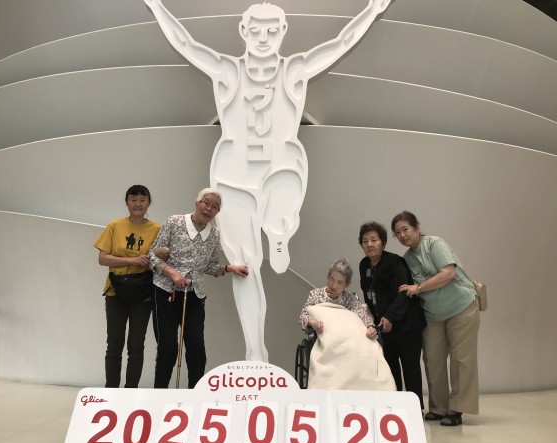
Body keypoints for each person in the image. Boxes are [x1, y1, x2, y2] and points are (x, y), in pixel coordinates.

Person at [144, 0, 392, 362]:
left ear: (283, 32)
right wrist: (156, 6)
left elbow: (340, 43)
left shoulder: (294, 70)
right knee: (245, 267)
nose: (264, 37)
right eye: (257, 30)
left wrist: (371, 10)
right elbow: (186, 43)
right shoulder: (228, 70)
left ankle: (279, 230)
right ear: (244, 31)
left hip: (280, 168)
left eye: (272, 30)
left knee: (289, 173)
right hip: (233, 177)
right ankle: (255, 350)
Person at [149, 188, 249, 388]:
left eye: (215, 206)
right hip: (166, 293)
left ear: (218, 212)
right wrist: (173, 273)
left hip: (194, 296)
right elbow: (152, 256)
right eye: (206, 203)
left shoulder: (214, 234)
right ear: (197, 203)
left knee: (197, 350)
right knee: (168, 348)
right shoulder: (174, 222)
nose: (209, 208)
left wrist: (229, 268)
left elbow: (209, 266)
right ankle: (159, 394)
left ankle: (195, 395)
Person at [392, 211, 480, 426]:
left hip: (461, 307)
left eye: (405, 229)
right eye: (398, 233)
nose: (402, 235)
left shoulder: (434, 244)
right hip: (433, 314)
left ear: (417, 227)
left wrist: (419, 287)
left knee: (461, 359)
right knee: (432, 360)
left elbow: (448, 273)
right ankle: (438, 407)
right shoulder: (407, 259)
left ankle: (457, 408)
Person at [94, 185, 161, 388]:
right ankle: (111, 390)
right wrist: (133, 261)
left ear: (149, 203)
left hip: (143, 294)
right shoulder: (115, 225)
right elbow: (102, 259)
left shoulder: (157, 229)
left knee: (136, 346)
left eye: (142, 200)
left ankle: (131, 392)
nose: (138, 204)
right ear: (126, 202)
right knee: (114, 344)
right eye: (133, 199)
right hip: (115, 291)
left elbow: (161, 259)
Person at [358, 221, 426, 408]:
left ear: (383, 242)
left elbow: (403, 293)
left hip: (406, 325)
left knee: (410, 368)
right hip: (385, 328)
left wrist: (390, 317)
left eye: (374, 240)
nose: (370, 244)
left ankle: (415, 409)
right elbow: (369, 296)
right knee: (390, 369)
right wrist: (375, 321)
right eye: (365, 241)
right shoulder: (364, 265)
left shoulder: (395, 262)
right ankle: (393, 408)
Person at [299, 258, 377, 340]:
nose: (334, 285)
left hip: (344, 337)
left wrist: (370, 327)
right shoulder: (316, 294)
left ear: (347, 285)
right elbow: (303, 316)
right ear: (328, 277)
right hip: (322, 337)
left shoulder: (349, 298)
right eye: (331, 279)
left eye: (340, 283)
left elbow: (363, 315)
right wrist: (313, 322)